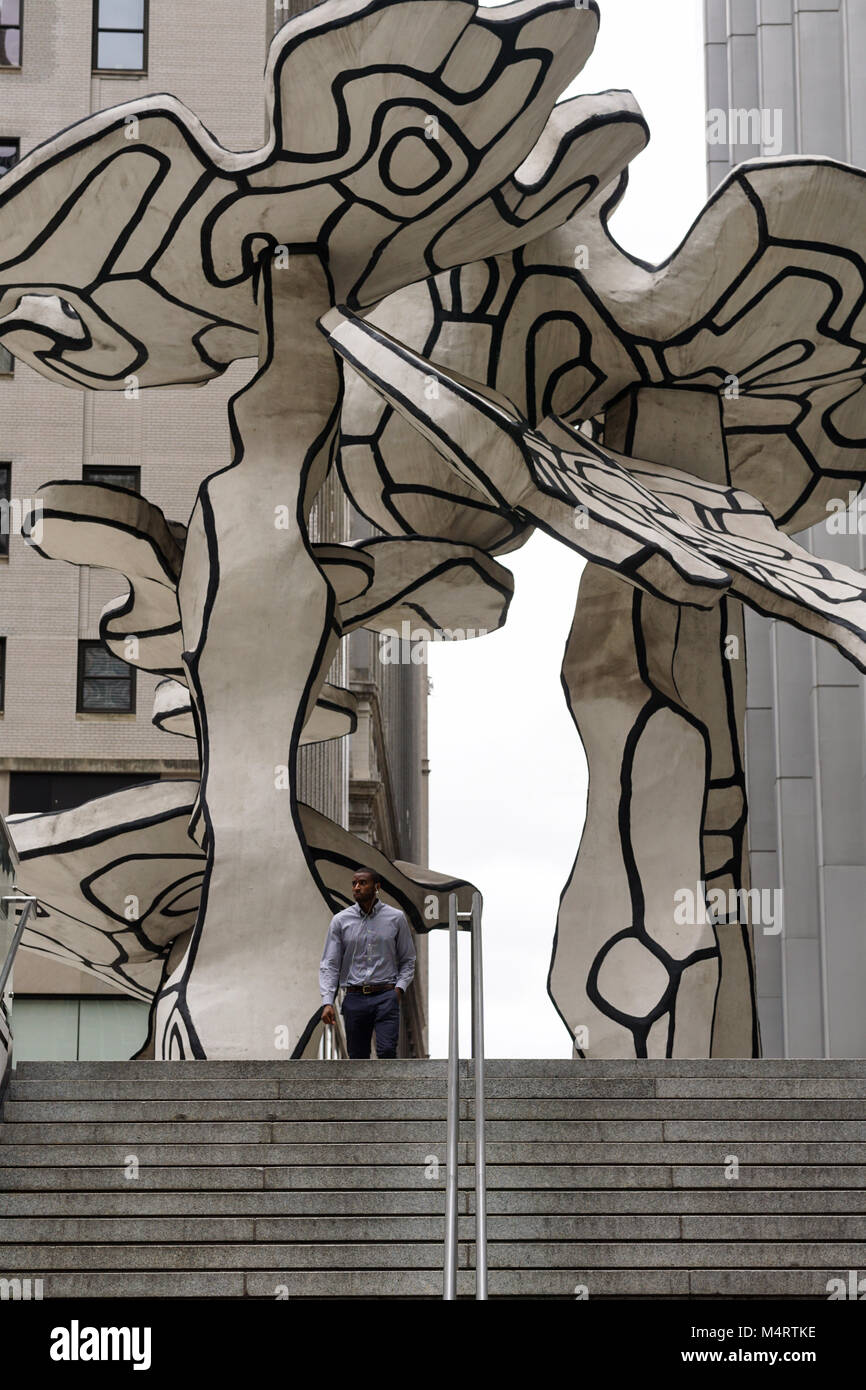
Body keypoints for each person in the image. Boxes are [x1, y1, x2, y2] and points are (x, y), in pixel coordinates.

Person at [319, 867, 416, 1060]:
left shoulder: (396, 918)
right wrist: (328, 1001)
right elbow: (330, 964)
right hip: (354, 998)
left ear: (376, 887)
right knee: (357, 1058)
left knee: (387, 1051)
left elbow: (408, 959)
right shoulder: (340, 921)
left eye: (362, 883)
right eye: (354, 883)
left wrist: (398, 990)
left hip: (386, 996)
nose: (356, 887)